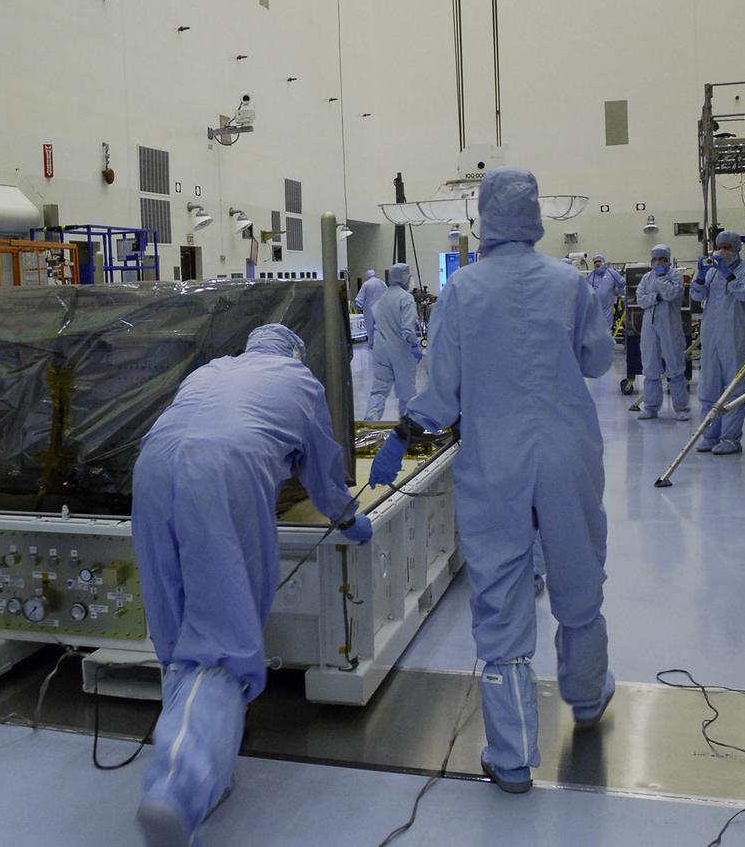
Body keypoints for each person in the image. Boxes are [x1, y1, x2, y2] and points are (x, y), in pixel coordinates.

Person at [369, 167, 616, 795]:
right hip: (567, 450)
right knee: (577, 570)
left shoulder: (464, 289)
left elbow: (442, 393)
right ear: (535, 215)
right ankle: (587, 698)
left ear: (484, 217)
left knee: (501, 589)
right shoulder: (569, 282)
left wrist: (402, 433)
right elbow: (596, 360)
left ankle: (511, 757)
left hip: (496, 457)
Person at [132, 324, 371, 846]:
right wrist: (347, 517)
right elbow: (322, 468)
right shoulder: (299, 380)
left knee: (175, 628)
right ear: (294, 352)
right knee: (221, 641)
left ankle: (209, 772)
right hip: (224, 472)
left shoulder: (210, 369)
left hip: (151, 468)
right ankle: (178, 786)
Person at [691, 230, 745, 454]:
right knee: (709, 387)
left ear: (737, 248)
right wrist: (700, 276)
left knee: (734, 388)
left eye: (727, 247)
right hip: (711, 336)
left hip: (735, 338)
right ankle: (709, 435)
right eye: (720, 247)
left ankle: (730, 439)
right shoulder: (711, 272)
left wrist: (727, 273)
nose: (722, 251)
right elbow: (697, 296)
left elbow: (744, 293)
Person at [635, 244, 690, 421]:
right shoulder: (646, 277)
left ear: (668, 260)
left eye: (662, 259)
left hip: (670, 327)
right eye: (655, 259)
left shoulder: (675, 276)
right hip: (649, 328)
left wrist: (660, 280)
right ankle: (651, 407)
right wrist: (655, 297)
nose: (658, 262)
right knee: (650, 366)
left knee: (675, 366)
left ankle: (681, 407)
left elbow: (670, 295)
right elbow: (640, 300)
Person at [363, 263, 423, 421]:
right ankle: (406, 427)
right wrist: (415, 346)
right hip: (401, 351)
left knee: (379, 390)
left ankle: (371, 421)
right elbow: (408, 330)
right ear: (405, 277)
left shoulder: (382, 297)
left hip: (381, 350)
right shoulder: (406, 298)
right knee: (406, 394)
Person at [586, 254, 626, 332]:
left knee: (606, 329)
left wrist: (620, 294)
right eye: (595, 262)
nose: (597, 263)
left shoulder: (611, 273)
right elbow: (585, 290)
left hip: (607, 307)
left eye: (599, 261)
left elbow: (622, 283)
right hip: (595, 308)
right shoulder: (591, 276)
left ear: (603, 262)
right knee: (596, 329)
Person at [353, 269, 387, 348]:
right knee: (381, 327)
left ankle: (371, 344)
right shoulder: (381, 282)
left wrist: (358, 306)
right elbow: (388, 293)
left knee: (370, 328)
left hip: (369, 310)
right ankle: (383, 344)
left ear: (367, 276)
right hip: (380, 309)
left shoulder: (366, 284)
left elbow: (360, 298)